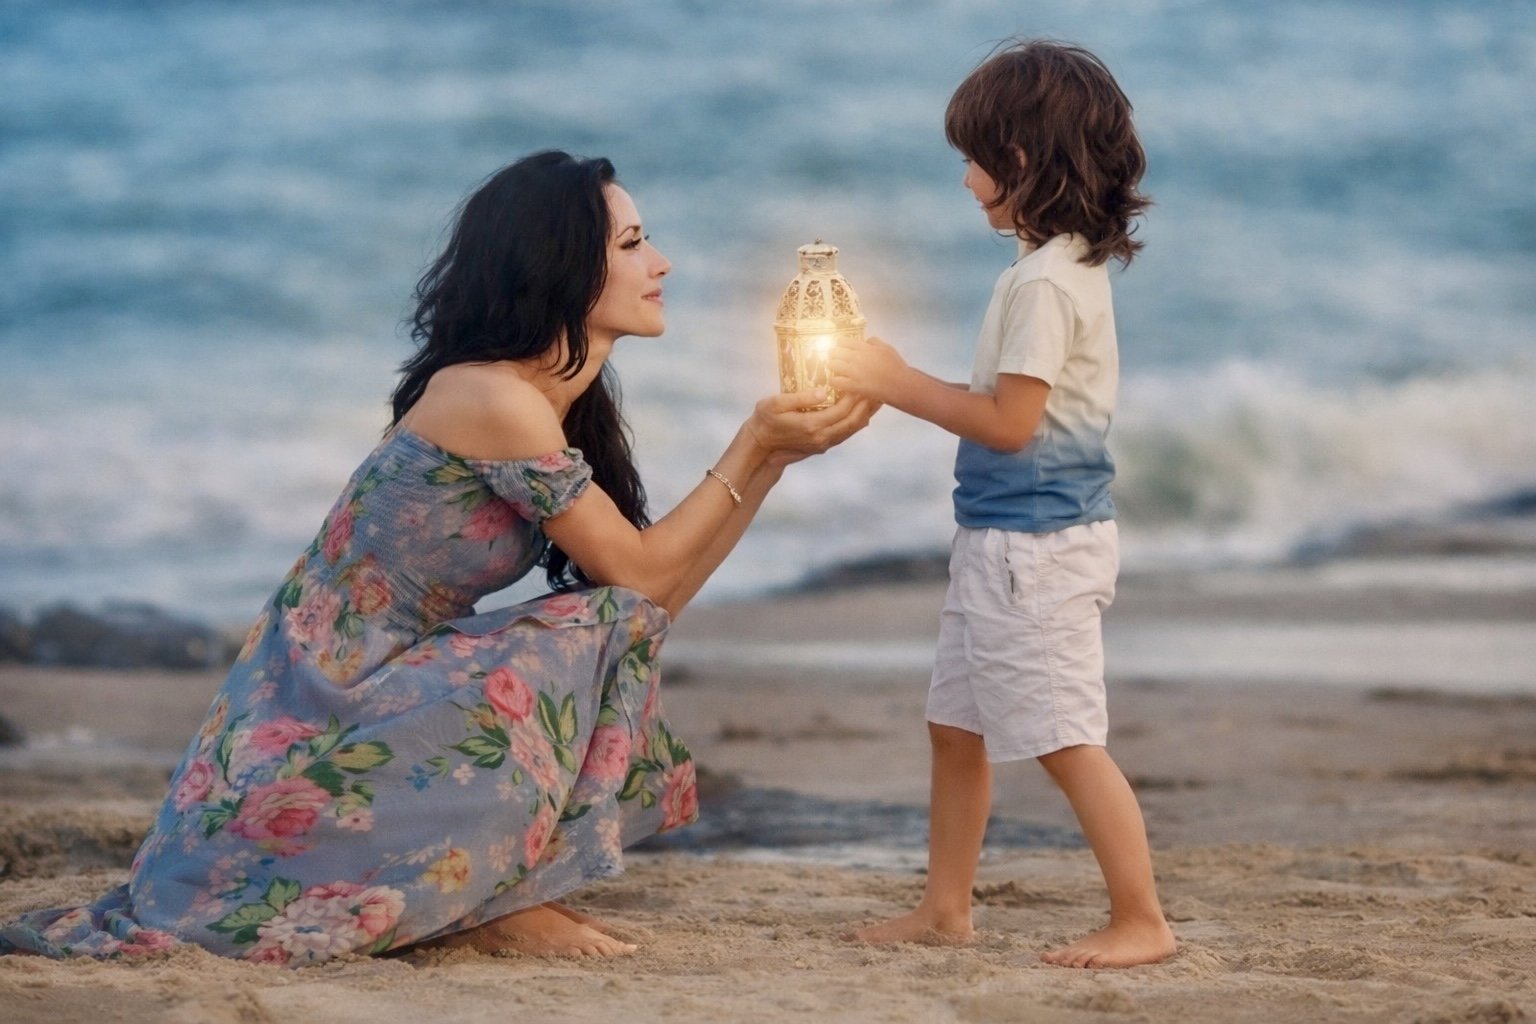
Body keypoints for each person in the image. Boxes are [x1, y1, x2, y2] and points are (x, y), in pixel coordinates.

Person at [0, 150, 873, 964]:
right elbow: (637, 580)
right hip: (316, 718)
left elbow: (647, 604)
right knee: (590, 620)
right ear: (562, 265)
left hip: (378, 686)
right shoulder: (490, 397)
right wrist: (752, 440)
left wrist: (769, 459)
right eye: (636, 244)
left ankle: (497, 895)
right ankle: (498, 905)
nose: (663, 264)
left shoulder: (552, 402)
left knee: (605, 622)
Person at [828, 40, 1177, 968]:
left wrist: (896, 382)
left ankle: (1142, 916)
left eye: (972, 158)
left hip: (1037, 548)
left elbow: (1011, 423)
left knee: (1063, 735)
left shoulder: (1045, 285)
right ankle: (946, 907)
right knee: (957, 725)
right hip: (1002, 541)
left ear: (1019, 163)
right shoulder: (1051, 270)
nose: (965, 179)